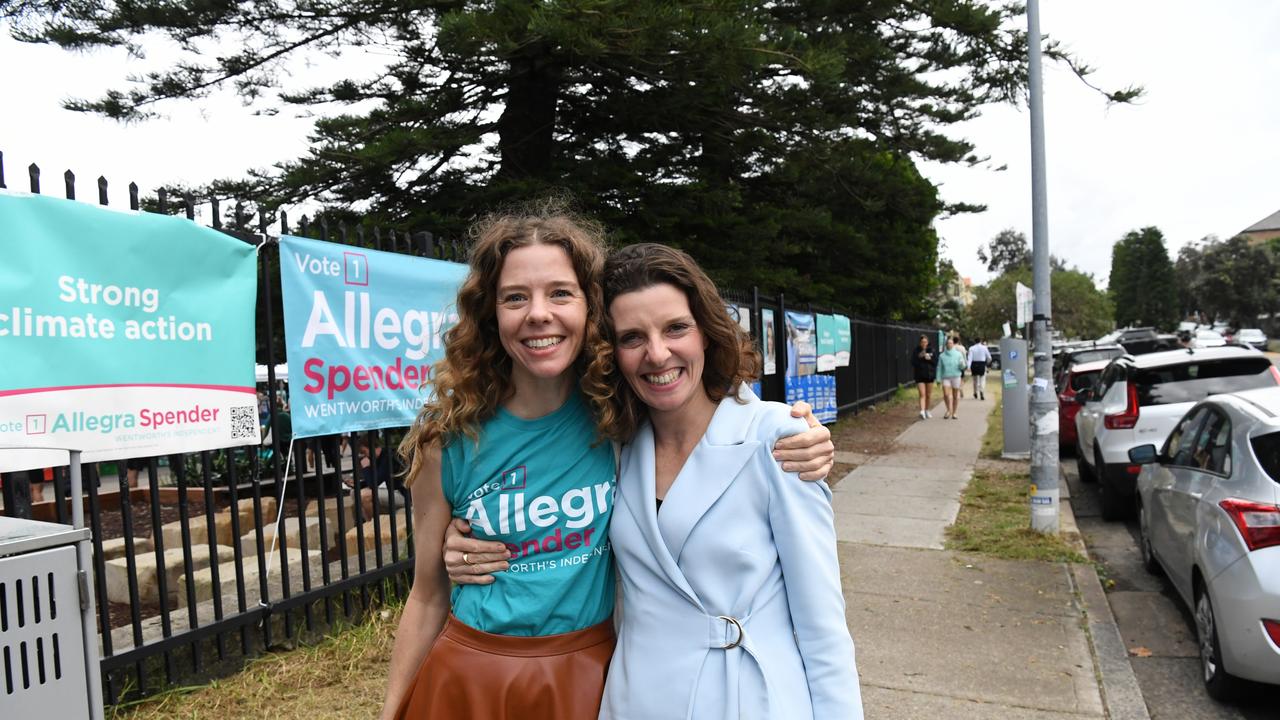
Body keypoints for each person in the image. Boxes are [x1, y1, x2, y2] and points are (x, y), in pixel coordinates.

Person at [381, 207, 834, 720]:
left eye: (559, 293)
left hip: (589, 676)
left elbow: (700, 411)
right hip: (472, 675)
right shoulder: (448, 439)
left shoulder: (618, 418)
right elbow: (425, 596)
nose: (537, 314)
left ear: (590, 310)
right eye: (514, 297)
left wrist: (804, 436)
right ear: (490, 313)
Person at [595, 243, 861, 719]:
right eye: (632, 337)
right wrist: (457, 541)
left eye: (676, 328)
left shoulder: (776, 437)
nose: (657, 354)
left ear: (706, 333)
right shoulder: (612, 447)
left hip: (747, 700)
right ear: (611, 353)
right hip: (637, 701)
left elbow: (822, 626)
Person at [936, 336, 966, 420]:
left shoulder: (958, 354)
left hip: (956, 376)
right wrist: (938, 379)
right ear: (946, 345)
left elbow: (963, 366)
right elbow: (939, 368)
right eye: (948, 343)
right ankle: (948, 410)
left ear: (953, 344)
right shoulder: (942, 356)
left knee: (955, 395)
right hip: (946, 377)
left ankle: (954, 412)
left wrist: (962, 364)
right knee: (946, 394)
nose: (949, 344)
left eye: (951, 343)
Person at [911, 334, 937, 420]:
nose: (924, 343)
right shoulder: (916, 350)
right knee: (922, 394)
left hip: (930, 375)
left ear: (928, 342)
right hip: (920, 375)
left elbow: (935, 363)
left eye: (925, 342)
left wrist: (930, 359)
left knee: (928, 394)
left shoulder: (932, 350)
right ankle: (922, 411)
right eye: (922, 342)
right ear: (920, 343)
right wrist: (919, 357)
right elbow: (913, 362)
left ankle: (927, 410)